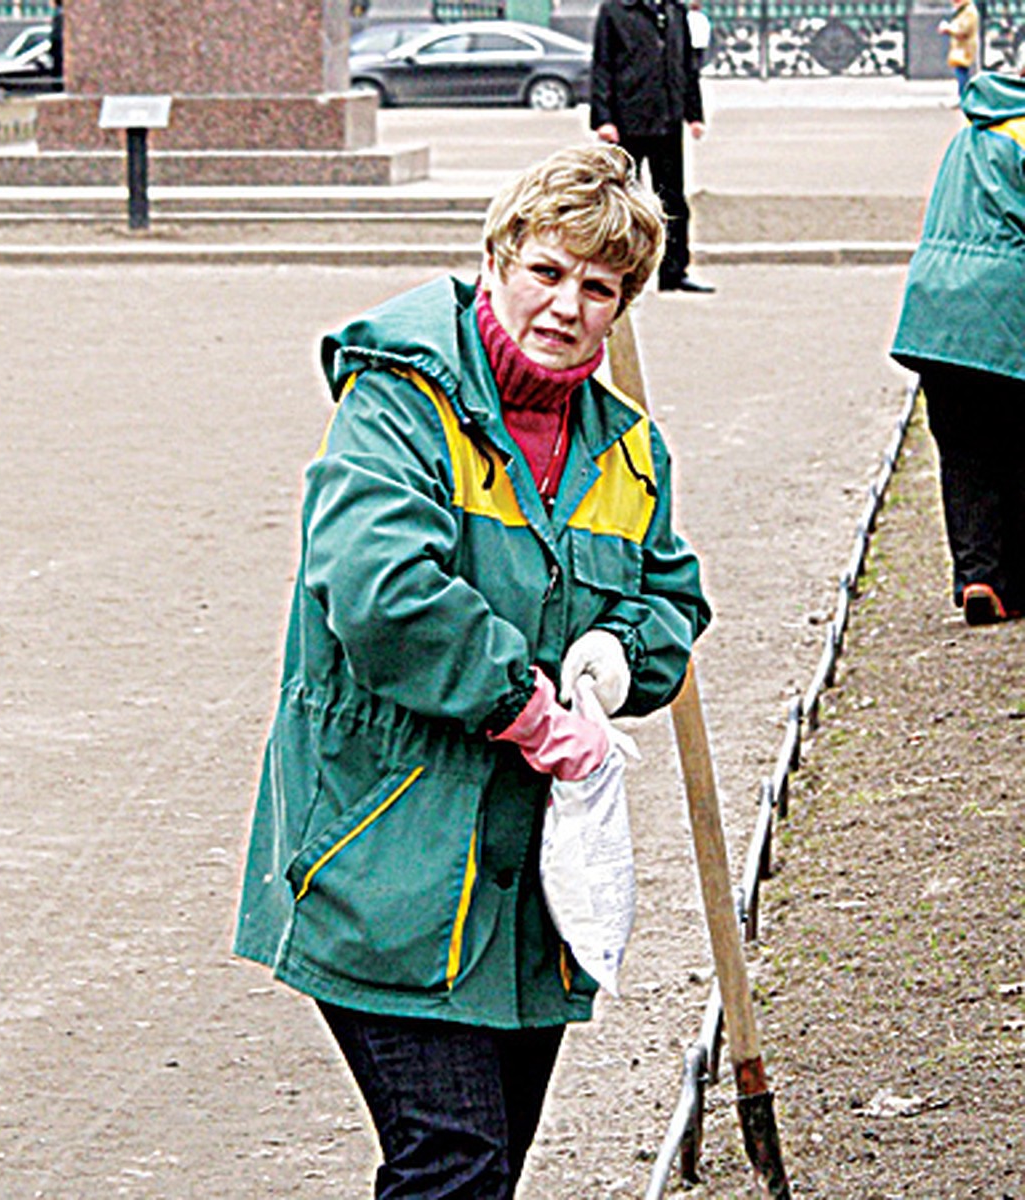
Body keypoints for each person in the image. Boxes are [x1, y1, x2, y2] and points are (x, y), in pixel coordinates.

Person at [233, 143, 711, 1197]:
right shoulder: (399, 402)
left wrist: (620, 659)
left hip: (526, 891)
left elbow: (672, 597)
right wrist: (528, 708)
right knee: (453, 1161)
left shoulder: (626, 448)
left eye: (599, 287)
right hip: (385, 850)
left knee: (479, 1170)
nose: (567, 306)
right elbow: (380, 589)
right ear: (498, 258)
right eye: (547, 271)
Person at [890, 70, 1025, 626]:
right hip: (1000, 314)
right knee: (1014, 448)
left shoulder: (969, 134)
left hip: (935, 315)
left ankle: (978, 578)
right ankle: (1013, 581)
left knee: (963, 451)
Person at [591, 0, 714, 294]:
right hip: (627, 122)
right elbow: (602, 65)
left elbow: (688, 67)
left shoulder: (675, 11)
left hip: (668, 120)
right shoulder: (616, 11)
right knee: (621, 199)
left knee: (673, 199)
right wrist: (603, 119)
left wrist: (694, 114)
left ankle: (674, 272)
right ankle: (616, 273)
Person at [938, 0, 979, 101]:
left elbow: (963, 30)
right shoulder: (963, 11)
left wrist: (948, 28)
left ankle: (963, 97)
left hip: (965, 47)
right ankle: (963, 96)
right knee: (960, 71)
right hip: (961, 46)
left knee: (962, 72)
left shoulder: (969, 11)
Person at [687, 0, 712, 72]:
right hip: (699, 44)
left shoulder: (687, 17)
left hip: (691, 44)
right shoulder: (703, 18)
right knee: (697, 63)